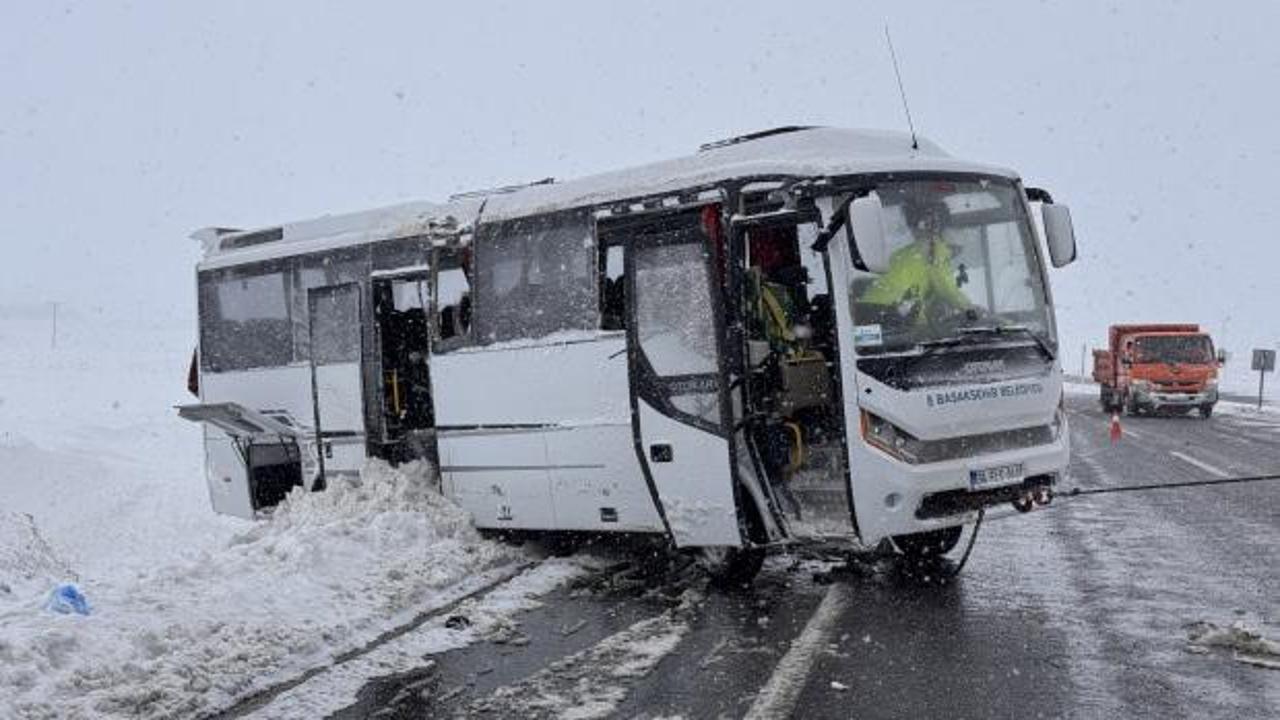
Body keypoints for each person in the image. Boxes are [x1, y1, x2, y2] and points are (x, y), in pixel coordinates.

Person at [859, 195, 971, 329]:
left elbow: (913, 297)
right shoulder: (933, 248)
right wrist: (972, 311)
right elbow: (948, 289)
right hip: (890, 313)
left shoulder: (905, 253)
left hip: (868, 312)